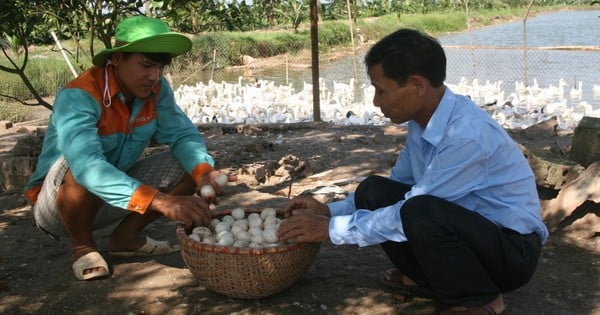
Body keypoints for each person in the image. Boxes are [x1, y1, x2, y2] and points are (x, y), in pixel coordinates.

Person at [278, 28, 548, 315]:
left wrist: (330, 230)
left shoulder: (466, 136)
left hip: (510, 250)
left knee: (419, 212)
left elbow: (408, 210)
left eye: (381, 90)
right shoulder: (421, 122)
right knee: (374, 191)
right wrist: (329, 212)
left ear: (417, 85)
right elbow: (398, 188)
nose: (375, 102)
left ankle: (483, 298)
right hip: (469, 232)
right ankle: (427, 278)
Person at [24, 16, 235, 281]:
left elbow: (182, 135)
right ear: (117, 59)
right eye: (146, 65)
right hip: (58, 209)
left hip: (112, 197)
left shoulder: (157, 90)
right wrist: (160, 201)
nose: (154, 76)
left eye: (160, 68)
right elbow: (88, 168)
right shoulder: (79, 96)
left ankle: (125, 237)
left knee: (192, 164)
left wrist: (204, 172)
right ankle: (83, 246)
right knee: (80, 167)